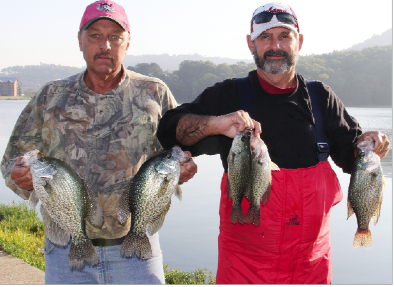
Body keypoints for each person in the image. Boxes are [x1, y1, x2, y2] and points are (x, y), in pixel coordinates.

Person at [157, 2, 390, 284]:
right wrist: (214, 124)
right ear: (250, 44)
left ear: (299, 42)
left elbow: (352, 155)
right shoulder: (228, 95)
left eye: (284, 36)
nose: (275, 45)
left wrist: (369, 143)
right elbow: (169, 129)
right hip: (244, 265)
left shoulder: (321, 98)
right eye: (265, 37)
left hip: (311, 264)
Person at [0, 0, 197, 284]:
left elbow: (176, 156)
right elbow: (10, 162)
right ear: (80, 42)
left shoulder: (155, 93)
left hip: (138, 249)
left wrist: (185, 169)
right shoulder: (51, 95)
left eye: (115, 37)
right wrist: (19, 176)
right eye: (95, 36)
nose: (105, 44)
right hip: (64, 252)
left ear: (127, 43)